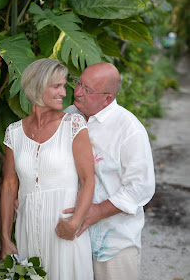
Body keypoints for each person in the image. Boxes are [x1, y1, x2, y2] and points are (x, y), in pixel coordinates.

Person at [0, 58, 95, 280]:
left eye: (64, 86)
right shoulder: (13, 133)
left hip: (63, 230)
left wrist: (75, 222)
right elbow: (9, 186)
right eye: (56, 86)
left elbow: (88, 179)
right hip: (27, 231)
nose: (64, 93)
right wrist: (6, 237)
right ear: (37, 87)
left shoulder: (73, 125)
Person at [63, 62, 155, 280]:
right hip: (72, 239)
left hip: (114, 245)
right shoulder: (68, 116)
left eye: (87, 90)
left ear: (107, 98)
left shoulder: (129, 129)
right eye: (78, 83)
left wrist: (96, 212)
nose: (77, 92)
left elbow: (141, 187)